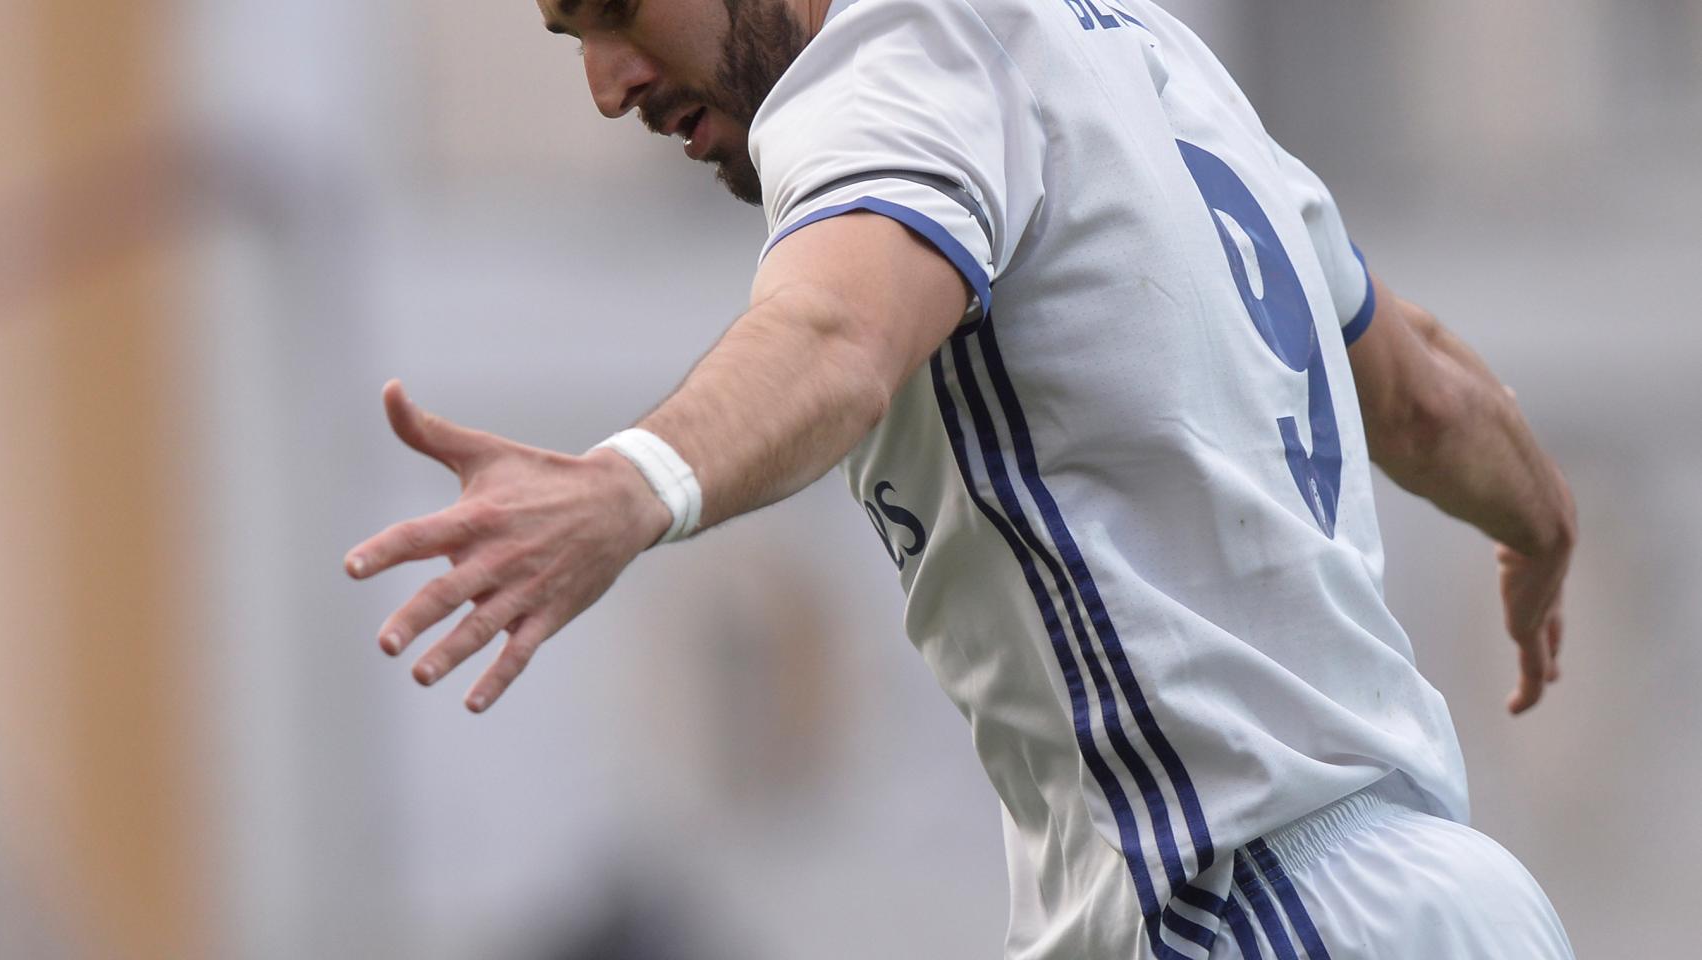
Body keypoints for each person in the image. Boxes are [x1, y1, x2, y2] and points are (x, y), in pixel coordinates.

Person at [344, 0, 1579, 955]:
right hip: (1431, 892)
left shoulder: (899, 52)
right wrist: (1542, 517)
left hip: (1244, 901)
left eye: (615, 9)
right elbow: (1421, 394)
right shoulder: (1141, 48)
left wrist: (629, 485)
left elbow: (835, 336)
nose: (604, 84)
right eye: (568, 34)